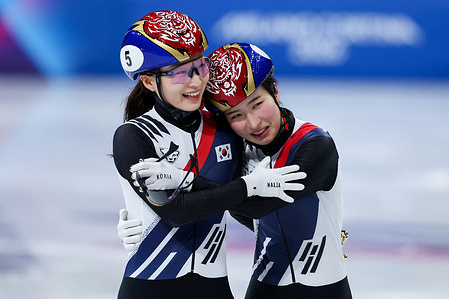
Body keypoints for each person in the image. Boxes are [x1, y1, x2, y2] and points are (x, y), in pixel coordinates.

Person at [119, 42, 352, 298]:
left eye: (256, 104)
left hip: (322, 289)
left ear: (274, 90)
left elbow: (255, 206)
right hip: (263, 288)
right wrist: (148, 216)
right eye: (235, 115)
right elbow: (235, 205)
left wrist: (185, 182)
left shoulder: (315, 145)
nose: (254, 123)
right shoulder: (239, 146)